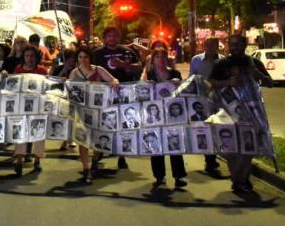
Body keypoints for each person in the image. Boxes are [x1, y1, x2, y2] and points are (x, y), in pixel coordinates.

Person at [210, 34, 272, 193]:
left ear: (244, 45)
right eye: (232, 44)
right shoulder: (223, 64)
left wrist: (258, 75)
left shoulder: (254, 63)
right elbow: (211, 83)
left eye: (238, 44)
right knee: (233, 149)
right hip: (229, 113)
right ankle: (238, 178)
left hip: (252, 113)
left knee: (249, 148)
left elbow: (269, 82)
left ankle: (241, 179)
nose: (235, 47)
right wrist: (228, 82)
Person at [92, 26, 142, 170]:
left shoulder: (127, 51)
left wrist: (124, 64)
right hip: (103, 93)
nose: (112, 38)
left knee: (122, 124)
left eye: (115, 35)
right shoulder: (98, 53)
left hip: (124, 92)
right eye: (109, 36)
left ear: (118, 37)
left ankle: (122, 156)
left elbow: (139, 67)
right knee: (102, 123)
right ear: (104, 38)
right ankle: (99, 151)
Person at [68, 46, 119, 183]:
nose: (83, 60)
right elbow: (69, 89)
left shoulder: (98, 69)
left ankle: (96, 158)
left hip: (97, 110)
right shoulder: (74, 72)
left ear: (90, 58)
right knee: (82, 139)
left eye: (85, 57)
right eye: (80, 57)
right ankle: (86, 169)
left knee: (97, 137)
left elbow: (112, 80)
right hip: (81, 111)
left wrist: (114, 82)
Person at [140, 46, 187, 188]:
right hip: (154, 115)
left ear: (167, 58)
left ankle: (178, 176)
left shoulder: (175, 73)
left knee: (174, 143)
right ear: (152, 59)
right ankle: (159, 176)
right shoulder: (149, 74)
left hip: (172, 115)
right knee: (156, 144)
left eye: (163, 56)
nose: (160, 59)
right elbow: (141, 90)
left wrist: (177, 83)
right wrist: (146, 84)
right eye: (157, 56)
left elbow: (183, 92)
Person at [188, 37, 224, 177]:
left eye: (213, 45)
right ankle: (209, 160)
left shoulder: (222, 60)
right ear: (204, 46)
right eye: (207, 45)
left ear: (217, 46)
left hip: (218, 100)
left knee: (216, 130)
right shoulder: (196, 60)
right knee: (205, 130)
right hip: (201, 101)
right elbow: (192, 78)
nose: (210, 48)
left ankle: (212, 158)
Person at [12, 45, 49, 176]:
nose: (29, 58)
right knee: (20, 132)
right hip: (21, 106)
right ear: (23, 57)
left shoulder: (42, 70)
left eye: (32, 56)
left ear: (36, 57)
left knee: (38, 132)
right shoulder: (18, 69)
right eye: (27, 56)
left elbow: (48, 87)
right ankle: (19, 161)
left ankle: (37, 161)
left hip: (38, 106)